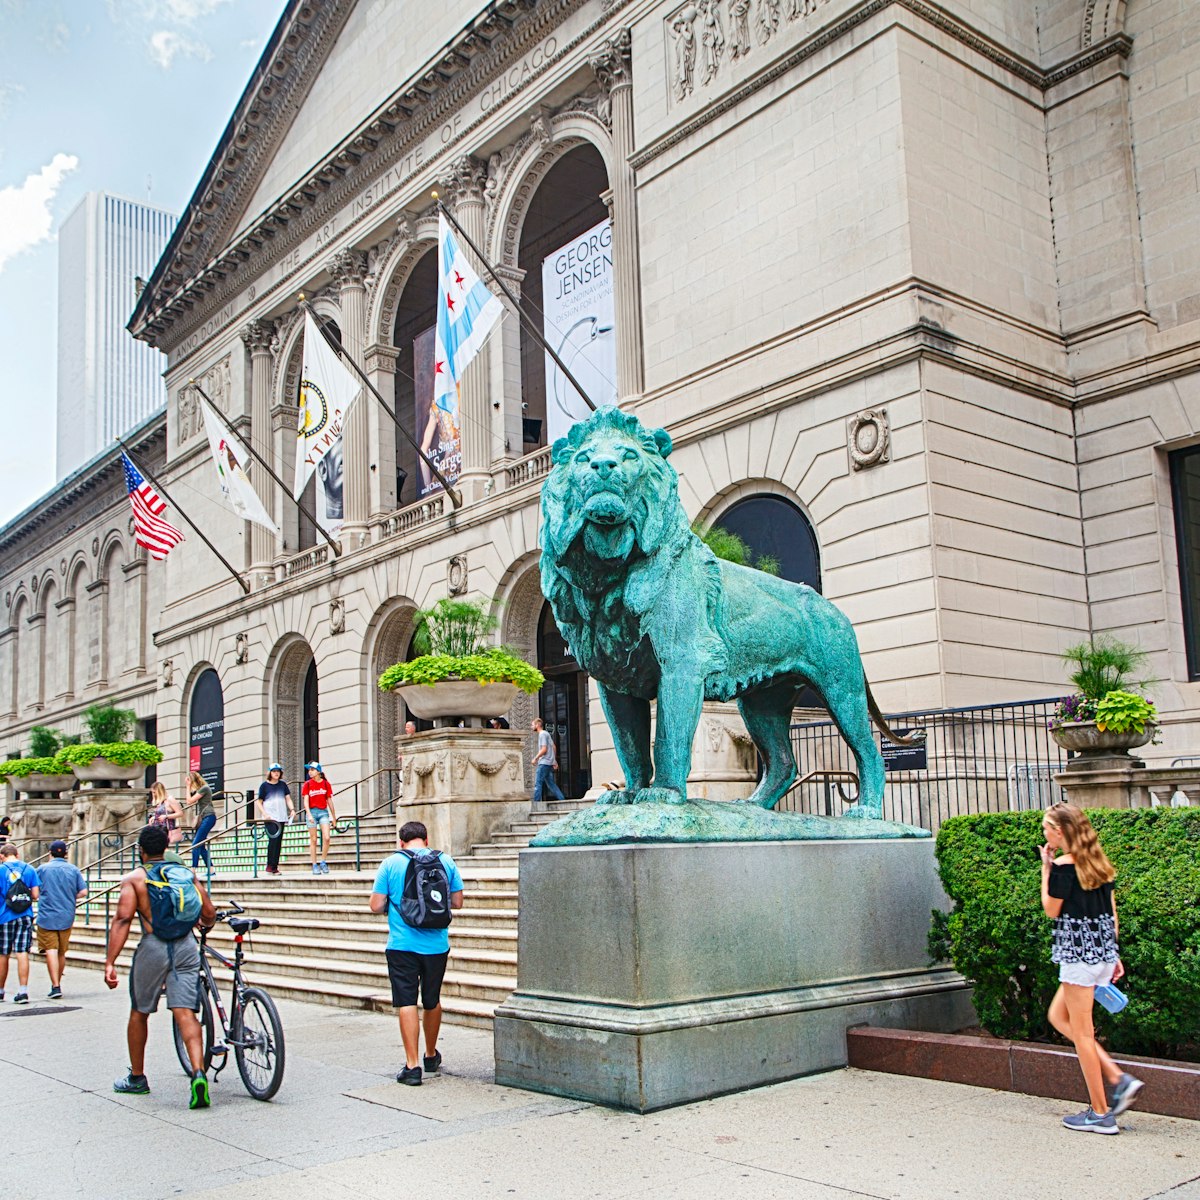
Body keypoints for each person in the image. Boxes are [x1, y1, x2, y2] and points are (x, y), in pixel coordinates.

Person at [1041, 803, 1145, 1134]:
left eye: (1047, 827)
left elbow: (1051, 911)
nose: (1044, 833)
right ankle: (1117, 1078)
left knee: (1083, 1035)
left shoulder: (1062, 867)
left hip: (1077, 958)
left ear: (1060, 832)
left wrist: (1045, 870)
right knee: (1058, 1017)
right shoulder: (1099, 864)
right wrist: (1113, 956)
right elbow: (1111, 916)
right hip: (1100, 956)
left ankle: (1101, 1112)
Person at [104, 824, 216, 1109]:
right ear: (166, 848)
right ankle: (198, 1073)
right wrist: (205, 925)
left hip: (153, 946)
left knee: (139, 1011)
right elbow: (209, 912)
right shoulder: (185, 874)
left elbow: (122, 920)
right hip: (186, 946)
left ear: (141, 850)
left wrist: (110, 961)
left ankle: (137, 1078)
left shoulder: (134, 879)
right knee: (186, 1012)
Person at [369, 820, 464, 1086]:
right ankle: (431, 1055)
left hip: (401, 945)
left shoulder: (390, 863)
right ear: (426, 838)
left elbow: (375, 905)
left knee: (407, 1001)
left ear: (401, 842)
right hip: (437, 945)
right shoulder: (446, 861)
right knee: (432, 999)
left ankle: (412, 1066)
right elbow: (457, 902)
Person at [35, 839, 86, 999]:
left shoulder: (42, 869)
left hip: (47, 914)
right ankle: (57, 983)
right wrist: (71, 898)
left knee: (51, 949)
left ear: (49, 853)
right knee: (61, 951)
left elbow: (35, 891)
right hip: (66, 914)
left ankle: (55, 985)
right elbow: (83, 892)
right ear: (65, 853)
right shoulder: (73, 869)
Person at [0, 842, 39, 1005]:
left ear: (2, 856)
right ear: (17, 854)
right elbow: (36, 895)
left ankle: (1, 990)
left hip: (4, 916)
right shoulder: (29, 869)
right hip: (25, 915)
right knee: (22, 951)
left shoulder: (1, 870)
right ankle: (23, 990)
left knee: (3, 953)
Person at [256, 763, 295, 876]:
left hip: (281, 817)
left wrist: (292, 809)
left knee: (278, 842)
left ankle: (275, 866)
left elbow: (288, 798)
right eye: (274, 771)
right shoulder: (264, 786)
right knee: (273, 840)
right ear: (270, 773)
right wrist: (264, 814)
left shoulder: (282, 785)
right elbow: (259, 802)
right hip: (270, 818)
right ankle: (270, 866)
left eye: (278, 771)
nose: (276, 773)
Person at [302, 762, 336, 876]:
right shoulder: (307, 784)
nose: (310, 772)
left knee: (326, 837)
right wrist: (309, 814)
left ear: (318, 771)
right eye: (309, 770)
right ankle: (314, 864)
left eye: (312, 769)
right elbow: (306, 801)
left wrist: (334, 817)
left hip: (323, 812)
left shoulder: (326, 784)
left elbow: (329, 800)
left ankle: (323, 861)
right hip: (311, 812)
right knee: (314, 839)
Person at [184, 772, 217, 873]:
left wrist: (188, 787)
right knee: (201, 845)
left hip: (209, 817)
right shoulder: (201, 789)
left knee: (196, 843)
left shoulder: (204, 788)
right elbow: (189, 801)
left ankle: (193, 869)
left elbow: (189, 801)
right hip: (205, 818)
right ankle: (211, 870)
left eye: (189, 781)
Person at [531, 717, 566, 805]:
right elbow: (553, 746)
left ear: (537, 725)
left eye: (532, 725)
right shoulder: (547, 734)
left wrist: (535, 758)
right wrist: (554, 761)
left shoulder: (542, 734)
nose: (531, 727)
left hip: (543, 763)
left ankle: (536, 804)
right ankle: (562, 800)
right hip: (549, 763)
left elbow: (544, 749)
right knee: (551, 784)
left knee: (538, 783)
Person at [148, 781, 185, 850]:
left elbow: (180, 813)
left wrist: (166, 816)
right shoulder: (160, 802)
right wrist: (154, 817)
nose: (153, 795)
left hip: (167, 829)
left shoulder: (169, 799)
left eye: (154, 792)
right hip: (158, 828)